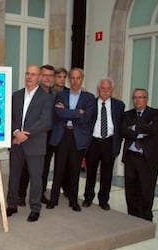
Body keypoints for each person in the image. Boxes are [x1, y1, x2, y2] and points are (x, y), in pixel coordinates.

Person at [6, 65, 53, 222]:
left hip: (35, 143)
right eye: (27, 73)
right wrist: (16, 132)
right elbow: (9, 117)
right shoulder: (16, 95)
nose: (29, 77)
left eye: (33, 74)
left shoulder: (46, 98)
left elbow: (45, 122)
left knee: (36, 178)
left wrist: (25, 134)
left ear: (39, 77)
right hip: (16, 142)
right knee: (14, 176)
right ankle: (12, 204)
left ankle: (35, 208)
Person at [46, 68, 95, 211]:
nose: (75, 81)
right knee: (58, 169)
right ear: (69, 80)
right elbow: (58, 113)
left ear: (82, 79)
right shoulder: (61, 95)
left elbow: (87, 118)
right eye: (72, 78)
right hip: (62, 135)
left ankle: (73, 201)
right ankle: (53, 199)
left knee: (75, 170)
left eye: (78, 78)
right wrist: (77, 112)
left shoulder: (89, 98)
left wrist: (67, 111)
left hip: (77, 137)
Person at [121, 88, 158, 221]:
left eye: (140, 97)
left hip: (148, 158)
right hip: (131, 157)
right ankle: (132, 216)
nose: (137, 100)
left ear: (146, 99)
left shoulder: (156, 113)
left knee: (146, 189)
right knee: (131, 189)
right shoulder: (127, 115)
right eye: (135, 97)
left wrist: (133, 127)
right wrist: (144, 129)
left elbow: (154, 129)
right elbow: (123, 131)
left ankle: (145, 217)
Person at [82, 78, 124, 210]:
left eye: (108, 89)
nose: (105, 91)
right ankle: (88, 198)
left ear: (112, 90)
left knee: (107, 174)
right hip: (93, 142)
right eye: (103, 88)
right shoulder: (91, 103)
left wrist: (118, 144)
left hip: (109, 142)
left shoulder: (119, 105)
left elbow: (120, 126)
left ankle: (104, 200)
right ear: (98, 89)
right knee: (91, 173)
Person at [18, 64, 55, 206]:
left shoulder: (55, 94)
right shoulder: (24, 94)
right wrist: (22, 133)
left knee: (40, 171)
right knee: (24, 170)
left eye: (50, 76)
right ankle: (21, 196)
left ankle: (39, 197)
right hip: (26, 135)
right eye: (45, 75)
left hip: (45, 137)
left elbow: (47, 119)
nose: (47, 78)